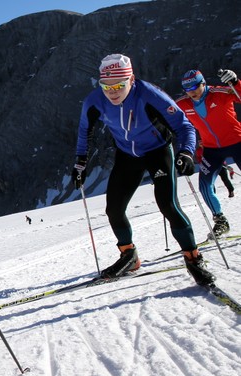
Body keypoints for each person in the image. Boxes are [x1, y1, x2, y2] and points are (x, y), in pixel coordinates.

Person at [72, 54, 214, 286]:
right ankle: (129, 255)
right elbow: (84, 131)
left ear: (132, 79)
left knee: (168, 205)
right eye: (105, 86)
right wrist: (80, 164)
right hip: (128, 154)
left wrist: (187, 152)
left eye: (119, 85)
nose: (112, 91)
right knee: (114, 209)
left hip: (158, 151)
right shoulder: (94, 100)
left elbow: (183, 124)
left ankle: (193, 257)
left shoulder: (148, 93)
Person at [175, 68, 241, 237]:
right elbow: (169, 117)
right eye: (188, 90)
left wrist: (235, 82)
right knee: (204, 185)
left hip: (237, 142)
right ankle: (220, 221)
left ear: (203, 83)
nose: (192, 92)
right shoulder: (183, 104)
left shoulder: (219, 92)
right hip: (211, 149)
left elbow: (239, 94)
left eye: (195, 87)